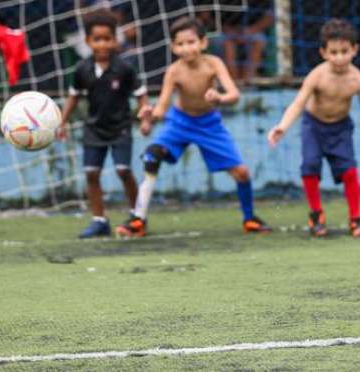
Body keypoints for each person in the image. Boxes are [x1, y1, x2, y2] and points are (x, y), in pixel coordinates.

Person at [115, 16, 270, 237]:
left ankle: (250, 218)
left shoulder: (214, 64)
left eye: (191, 42)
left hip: (209, 124)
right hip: (180, 122)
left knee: (242, 173)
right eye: (180, 44)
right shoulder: (174, 71)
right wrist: (149, 117)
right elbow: (161, 108)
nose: (186, 48)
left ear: (203, 42)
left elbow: (234, 95)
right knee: (152, 155)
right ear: (173, 47)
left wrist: (219, 97)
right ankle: (138, 219)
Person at [267, 18, 360, 237]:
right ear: (323, 52)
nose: (339, 58)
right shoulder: (317, 76)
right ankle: (316, 215)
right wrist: (282, 126)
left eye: (344, 51)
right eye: (333, 52)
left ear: (355, 50)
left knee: (350, 171)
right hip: (313, 126)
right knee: (309, 166)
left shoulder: (358, 80)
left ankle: (356, 218)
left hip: (341, 129)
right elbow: (298, 103)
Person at [59, 11, 151, 238]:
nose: (102, 44)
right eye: (97, 39)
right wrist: (61, 122)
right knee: (92, 174)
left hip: (120, 127)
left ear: (115, 40)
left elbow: (141, 95)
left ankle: (137, 216)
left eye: (107, 39)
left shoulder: (125, 68)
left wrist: (145, 118)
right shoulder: (82, 69)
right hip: (93, 129)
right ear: (88, 41)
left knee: (123, 170)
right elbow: (73, 96)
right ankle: (99, 220)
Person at [213, 0, 274, 81]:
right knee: (227, 43)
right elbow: (204, 16)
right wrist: (224, 28)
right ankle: (235, 83)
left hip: (249, 31)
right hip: (224, 32)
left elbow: (269, 17)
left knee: (259, 40)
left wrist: (251, 30)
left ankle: (247, 80)